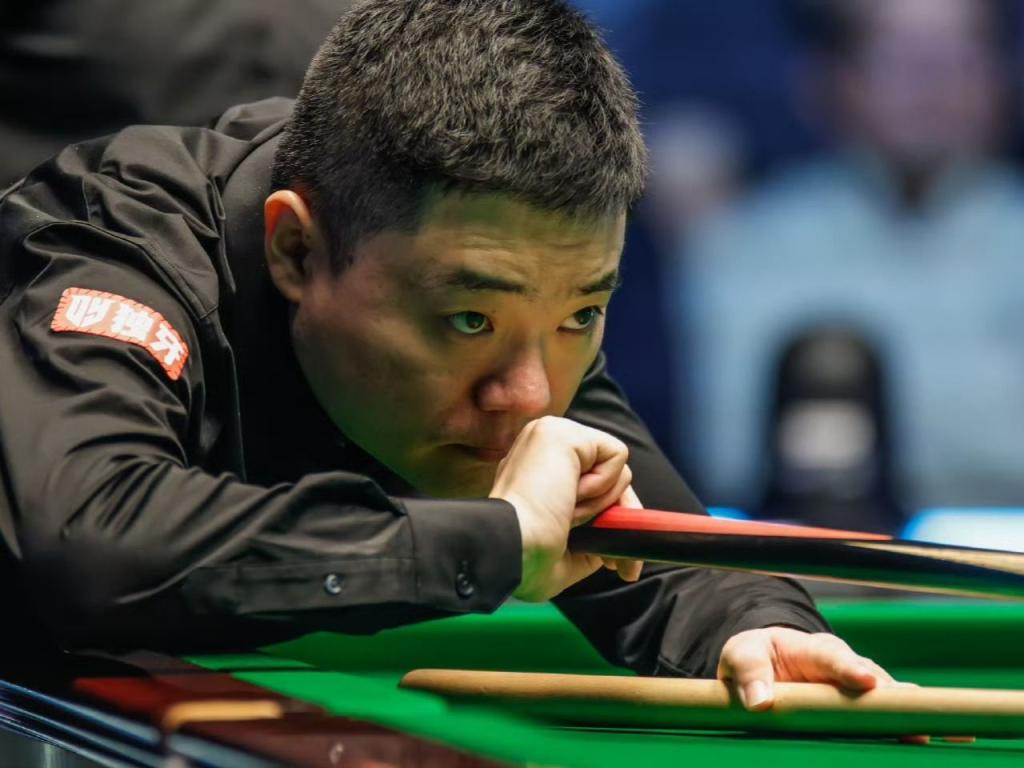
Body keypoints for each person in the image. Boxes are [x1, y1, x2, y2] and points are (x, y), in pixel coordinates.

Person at [0, 0, 898, 713]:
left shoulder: (515, 307)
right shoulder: (119, 245)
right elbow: (94, 543)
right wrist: (493, 541)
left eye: (583, 314)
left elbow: (654, 550)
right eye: (470, 321)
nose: (530, 396)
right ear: (296, 251)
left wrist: (755, 626)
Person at [674, 0, 1024, 519]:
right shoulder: (747, 242)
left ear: (1000, 77)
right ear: (834, 79)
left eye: (957, 58)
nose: (930, 85)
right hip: (814, 547)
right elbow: (733, 451)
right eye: (898, 59)